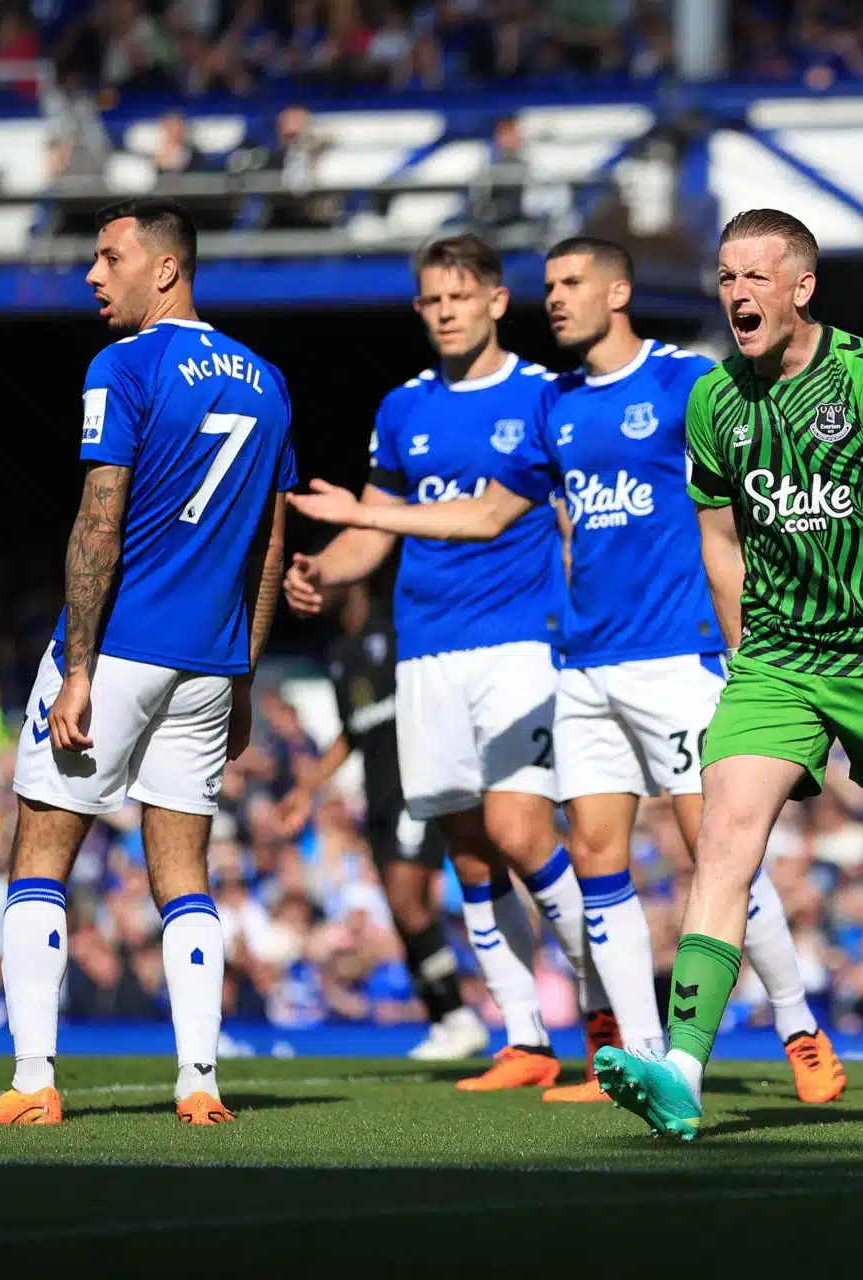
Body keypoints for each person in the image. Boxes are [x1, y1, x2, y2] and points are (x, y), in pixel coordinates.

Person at [288, 238, 845, 1105]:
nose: (556, 299)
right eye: (550, 285)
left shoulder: (680, 381)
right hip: (585, 666)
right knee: (594, 862)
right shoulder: (558, 409)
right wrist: (359, 518)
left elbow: (751, 474)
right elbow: (487, 514)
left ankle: (799, 1027)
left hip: (675, 658)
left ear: (618, 292)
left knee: (719, 853)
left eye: (571, 284)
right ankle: (639, 1054)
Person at [598, 207, 863, 1139]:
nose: (737, 294)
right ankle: (683, 1073)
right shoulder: (714, 400)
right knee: (724, 843)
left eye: (755, 276)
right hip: (780, 659)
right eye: (725, 277)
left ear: (801, 286)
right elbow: (720, 540)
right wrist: (743, 648)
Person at [0, 198, 296, 1126]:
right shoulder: (267, 381)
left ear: (166, 269)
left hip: (121, 651)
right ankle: (200, 1084)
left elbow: (98, 523)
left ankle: (34, 1082)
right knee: (184, 872)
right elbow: (271, 544)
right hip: (209, 663)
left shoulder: (125, 364)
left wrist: (77, 667)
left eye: (109, 258)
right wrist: (245, 674)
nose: (92, 276)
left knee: (41, 852)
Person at [281, 233, 595, 1094]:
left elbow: (522, 517)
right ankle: (524, 1040)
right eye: (432, 299)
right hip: (427, 653)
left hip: (521, 642)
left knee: (523, 834)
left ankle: (610, 1028)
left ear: (497, 300)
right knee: (468, 852)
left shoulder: (544, 396)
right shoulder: (401, 408)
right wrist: (317, 567)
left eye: (461, 295)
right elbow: (371, 529)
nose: (446, 311)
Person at [274, 580, 489, 1062]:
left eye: (321, 579)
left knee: (409, 898)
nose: (312, 590)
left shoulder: (400, 635)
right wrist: (308, 789)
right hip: (377, 799)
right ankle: (446, 1019)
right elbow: (353, 732)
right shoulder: (338, 655)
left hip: (418, 790)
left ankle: (459, 1014)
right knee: (399, 907)